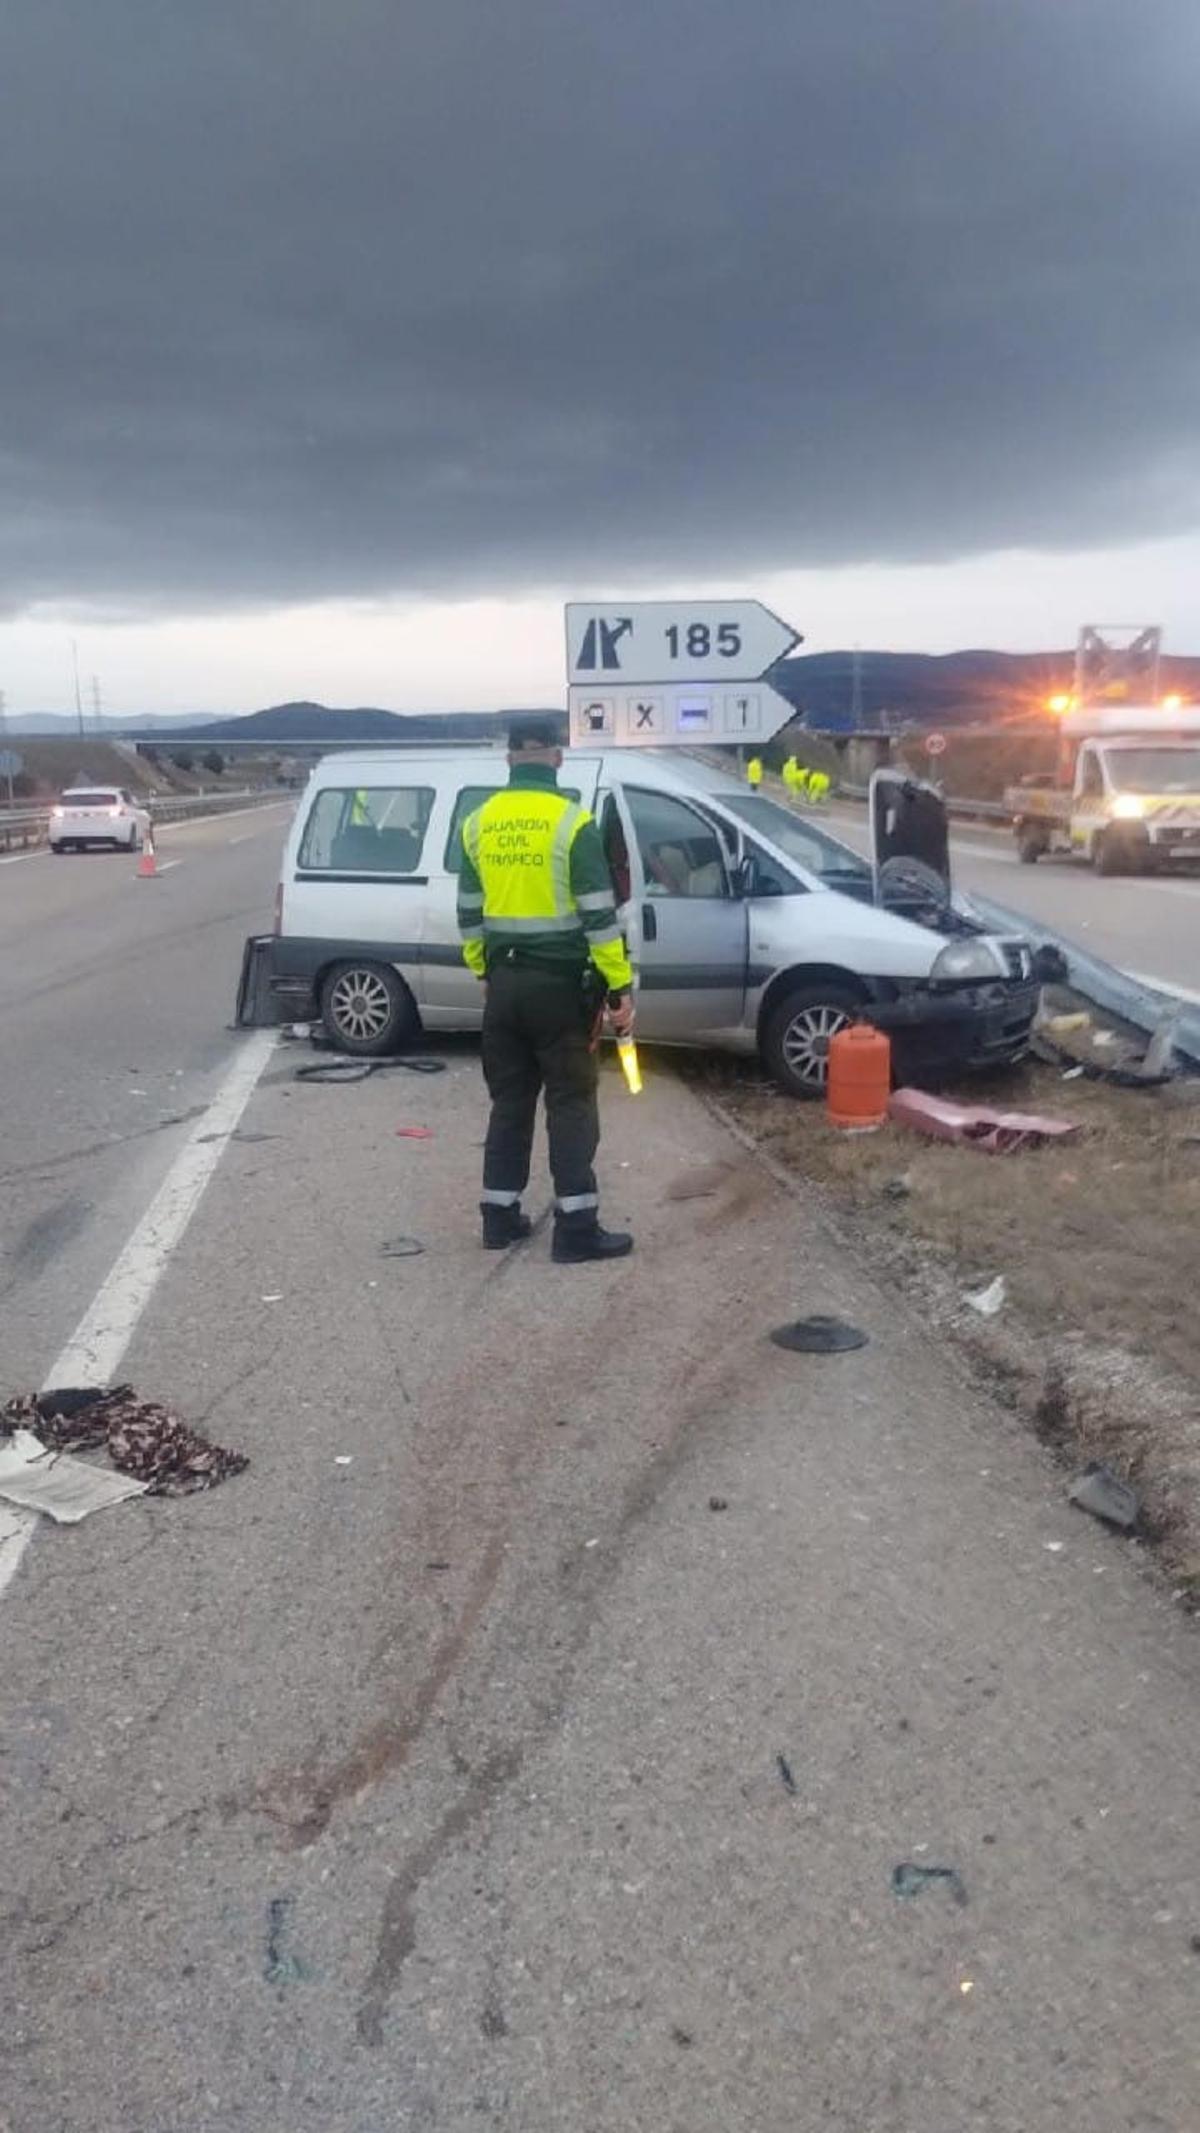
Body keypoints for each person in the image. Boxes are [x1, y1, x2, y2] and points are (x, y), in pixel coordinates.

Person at [457, 717, 635, 1263]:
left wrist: (483, 972)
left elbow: (467, 913)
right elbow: (600, 919)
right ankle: (576, 1230)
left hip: (504, 985)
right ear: (557, 758)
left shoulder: (477, 822)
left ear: (509, 758)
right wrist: (619, 988)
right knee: (571, 1102)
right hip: (560, 989)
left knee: (509, 1102)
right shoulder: (572, 823)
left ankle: (499, 1218)